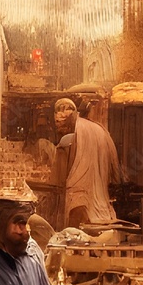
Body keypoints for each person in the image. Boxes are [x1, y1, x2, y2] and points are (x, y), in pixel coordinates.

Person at [50, 98, 122, 230]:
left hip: (79, 205)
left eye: (59, 125)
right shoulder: (101, 130)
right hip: (103, 209)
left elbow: (57, 180)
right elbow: (116, 173)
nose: (58, 130)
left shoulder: (68, 140)